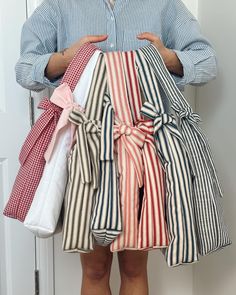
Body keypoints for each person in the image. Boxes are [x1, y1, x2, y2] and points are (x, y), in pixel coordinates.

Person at [15, 1, 217, 294]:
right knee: (95, 269)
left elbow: (207, 62)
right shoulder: (60, 5)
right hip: (86, 152)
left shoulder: (164, 4)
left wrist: (167, 58)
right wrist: (66, 59)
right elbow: (24, 69)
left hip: (143, 149)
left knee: (135, 268)